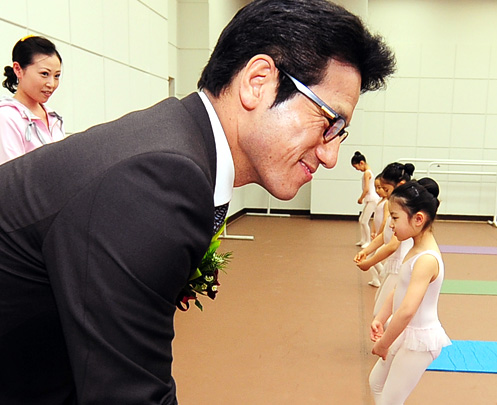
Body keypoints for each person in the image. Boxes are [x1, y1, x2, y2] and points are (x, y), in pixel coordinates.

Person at [0, 0, 395, 403]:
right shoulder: (160, 177)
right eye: (331, 122)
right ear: (258, 81)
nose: (331, 156)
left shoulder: (181, 145)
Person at [368, 177, 452, 405]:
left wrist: (384, 342)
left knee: (389, 400)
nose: (391, 224)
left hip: (420, 339)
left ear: (418, 219)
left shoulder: (426, 259)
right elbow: (399, 288)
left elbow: (407, 310)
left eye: (394, 218)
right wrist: (381, 317)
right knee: (375, 382)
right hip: (406, 331)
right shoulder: (415, 248)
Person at [355, 162, 415, 315]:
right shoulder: (394, 205)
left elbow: (393, 245)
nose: (383, 193)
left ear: (400, 185)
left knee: (384, 313)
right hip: (393, 266)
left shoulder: (404, 210)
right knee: (381, 311)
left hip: (400, 267)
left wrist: (369, 262)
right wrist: (367, 250)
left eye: (386, 189)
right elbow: (385, 236)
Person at [1, 35, 64, 164]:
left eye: (57, 76)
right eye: (44, 74)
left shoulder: (54, 119)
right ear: (18, 70)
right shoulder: (6, 117)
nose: (51, 84)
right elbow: (10, 178)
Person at [352, 150, 381, 248]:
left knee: (364, 221)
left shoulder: (367, 173)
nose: (358, 169)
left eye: (357, 167)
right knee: (361, 219)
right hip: (370, 199)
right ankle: (363, 239)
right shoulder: (369, 172)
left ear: (361, 163)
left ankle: (368, 241)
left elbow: (366, 189)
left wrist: (361, 198)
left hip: (372, 199)